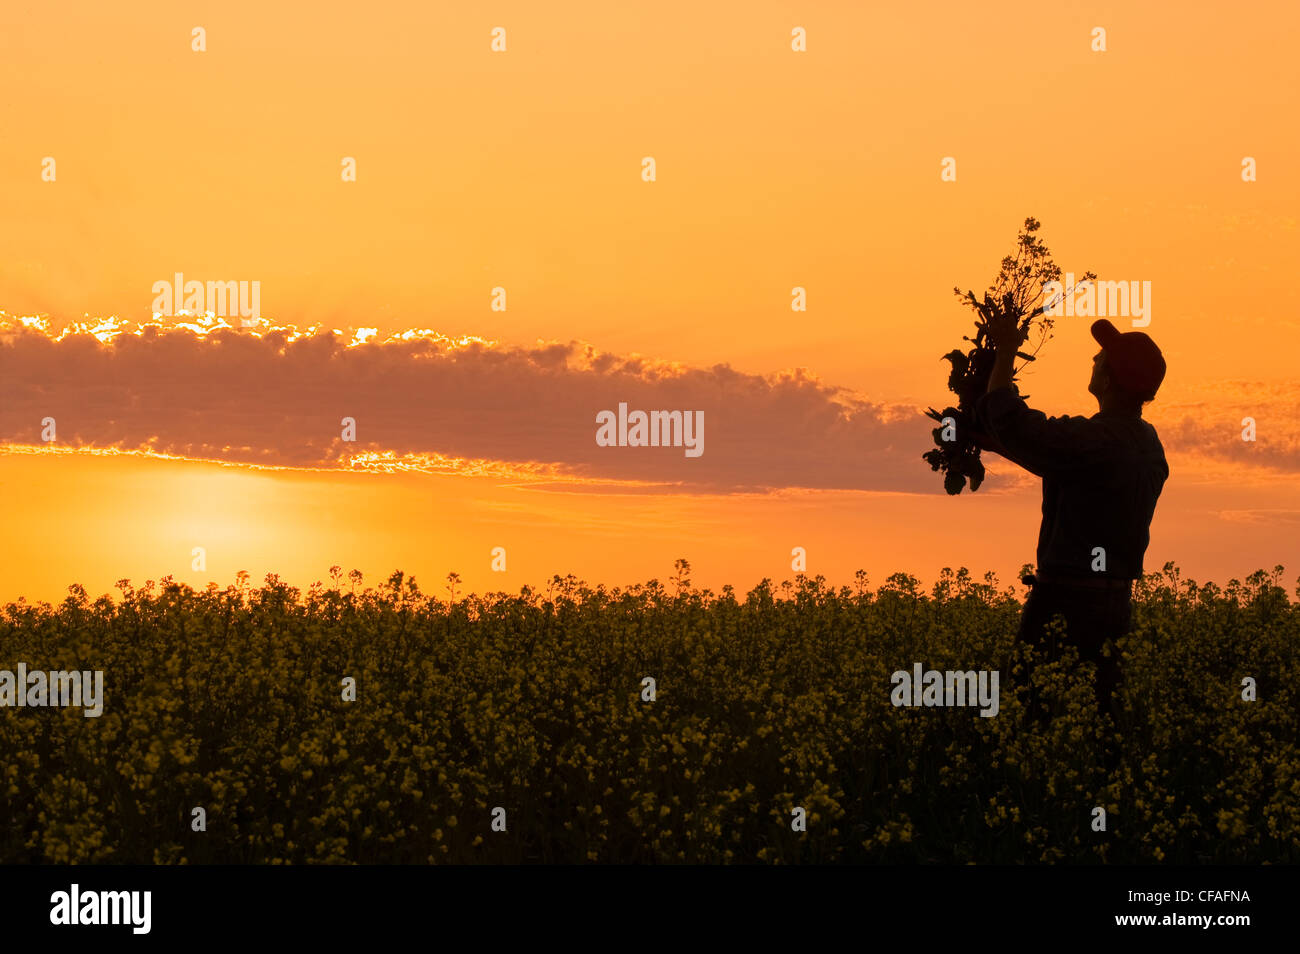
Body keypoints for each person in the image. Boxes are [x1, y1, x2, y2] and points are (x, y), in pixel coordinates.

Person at [973, 313, 1168, 723]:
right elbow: (1065, 462)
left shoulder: (1097, 439)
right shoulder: (1146, 443)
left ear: (1110, 380)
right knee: (1098, 724)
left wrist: (1006, 350)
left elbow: (1011, 417)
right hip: (1114, 605)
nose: (1094, 358)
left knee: (1029, 717)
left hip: (1065, 602)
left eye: (1101, 357)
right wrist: (1000, 446)